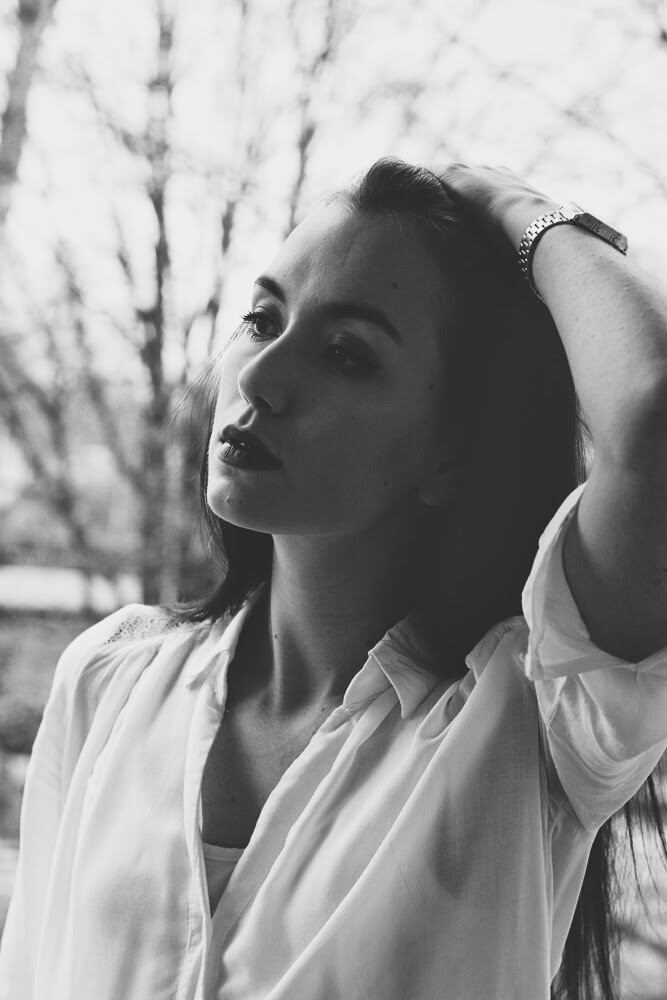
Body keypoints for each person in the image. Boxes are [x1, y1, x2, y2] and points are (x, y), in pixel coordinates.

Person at [1, 157, 666, 1000]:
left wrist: (517, 208)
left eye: (345, 354)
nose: (258, 378)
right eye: (261, 319)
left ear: (452, 451)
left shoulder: (534, 715)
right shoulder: (108, 676)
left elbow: (651, 423)